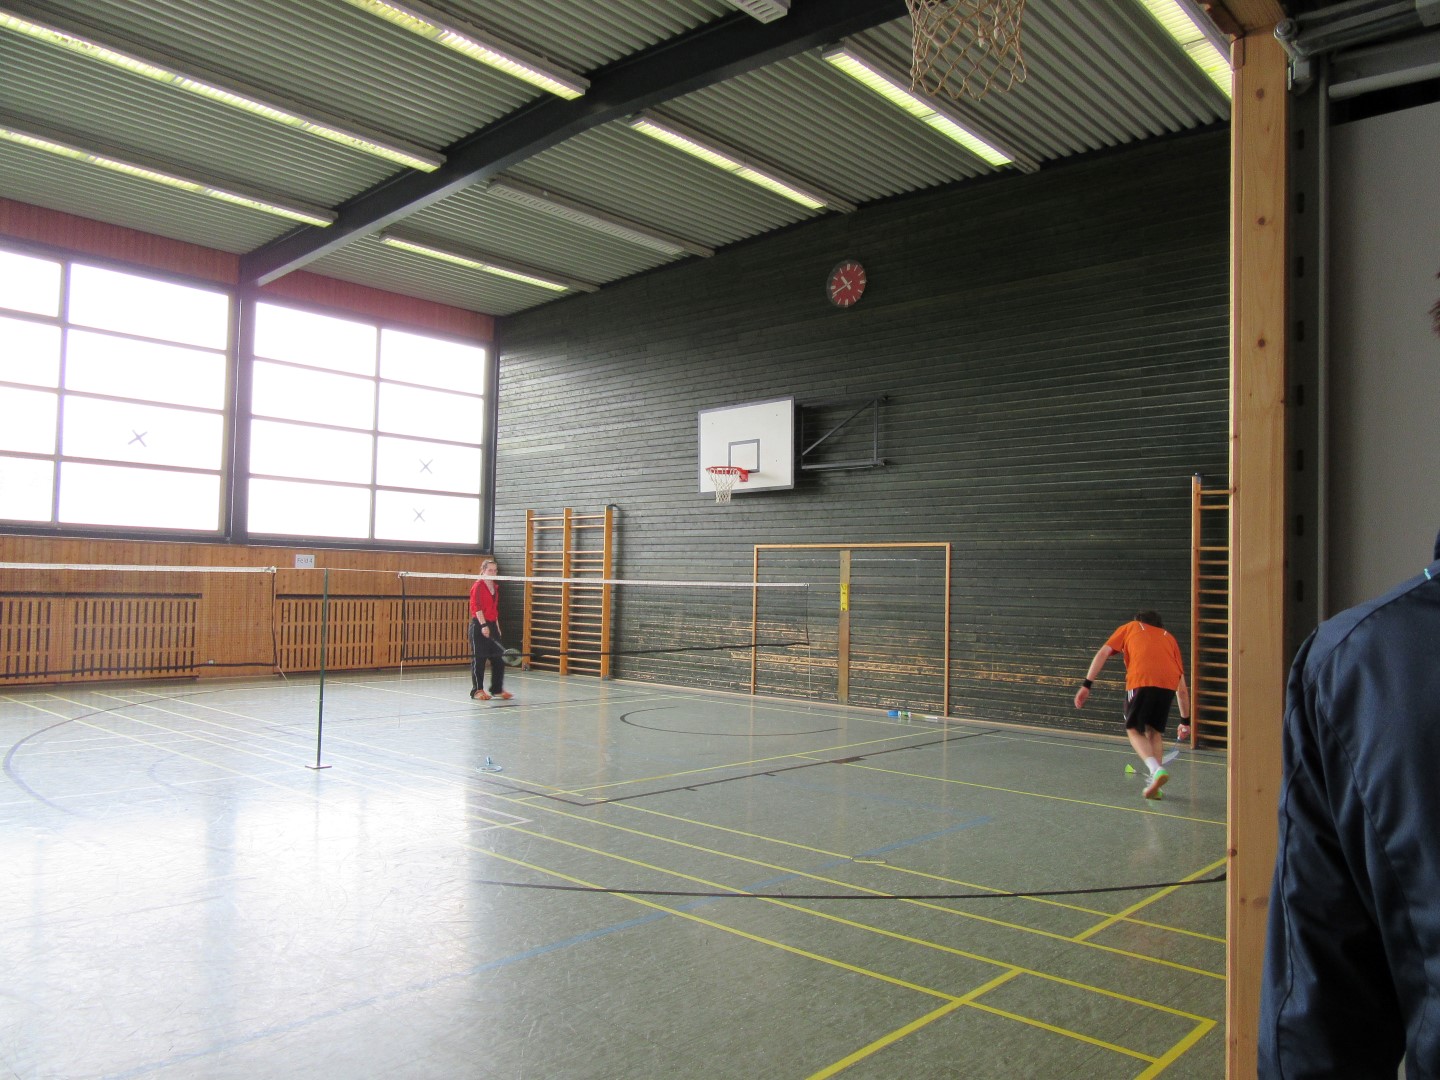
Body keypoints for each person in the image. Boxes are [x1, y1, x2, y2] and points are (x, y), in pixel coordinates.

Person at [1259, 295, 1440, 1076]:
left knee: (1142, 731)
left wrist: (1088, 682)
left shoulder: (1360, 664)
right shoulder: (1358, 664)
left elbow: (1317, 1025)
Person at [1074, 610, 1190, 799]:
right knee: (1154, 731)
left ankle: (1155, 770)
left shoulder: (1131, 627)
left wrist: (1087, 684)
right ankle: (1155, 786)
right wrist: (1185, 722)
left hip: (1141, 680)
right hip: (1167, 684)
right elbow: (1182, 690)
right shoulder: (1169, 638)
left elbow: (1103, 652)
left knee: (1133, 729)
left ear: (1139, 621)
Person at [468, 558, 512, 701]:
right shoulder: (478, 586)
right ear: (483, 571)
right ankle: (477, 690)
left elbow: (494, 609)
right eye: (490, 570)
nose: (493, 572)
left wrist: (496, 626)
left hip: (492, 624)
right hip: (479, 625)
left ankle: (497, 689)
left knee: (499, 658)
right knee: (479, 659)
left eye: (495, 570)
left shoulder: (495, 587)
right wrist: (483, 625)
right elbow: (477, 607)